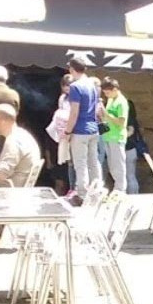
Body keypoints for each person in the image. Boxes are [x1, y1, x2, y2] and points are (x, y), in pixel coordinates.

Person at [62, 58, 102, 199]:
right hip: (93, 128)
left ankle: (82, 195)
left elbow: (74, 112)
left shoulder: (75, 86)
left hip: (80, 130)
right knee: (94, 162)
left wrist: (67, 131)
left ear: (72, 69)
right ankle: (97, 192)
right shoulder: (92, 85)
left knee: (80, 164)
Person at [0, 104, 40, 188]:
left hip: (5, 189)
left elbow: (2, 173)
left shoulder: (14, 141)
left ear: (1, 121)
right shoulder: (23, 135)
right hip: (14, 185)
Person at [100, 77, 129, 193]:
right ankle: (117, 189)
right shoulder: (111, 100)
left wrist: (106, 115)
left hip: (117, 137)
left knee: (118, 165)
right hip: (108, 136)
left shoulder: (121, 102)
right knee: (112, 166)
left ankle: (120, 189)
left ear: (115, 89)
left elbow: (121, 122)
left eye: (108, 92)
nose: (106, 95)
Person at [46, 74, 73, 194]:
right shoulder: (62, 99)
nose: (67, 87)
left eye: (69, 85)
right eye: (64, 85)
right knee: (62, 174)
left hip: (74, 135)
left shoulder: (78, 99)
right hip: (62, 136)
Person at [124, 96, 144, 195]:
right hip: (132, 149)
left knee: (128, 176)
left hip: (127, 149)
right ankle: (134, 194)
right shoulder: (133, 119)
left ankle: (131, 195)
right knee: (131, 175)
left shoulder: (128, 120)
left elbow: (130, 132)